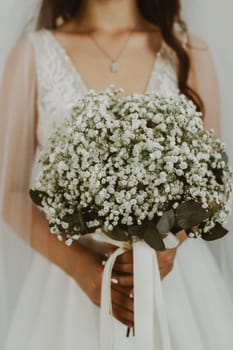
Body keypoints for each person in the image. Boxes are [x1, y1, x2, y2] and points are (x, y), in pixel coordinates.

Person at [0, 0, 233, 349]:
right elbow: (11, 191)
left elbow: (214, 181)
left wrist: (168, 244)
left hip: (176, 280)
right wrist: (83, 269)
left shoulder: (187, 50)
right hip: (68, 284)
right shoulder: (33, 54)